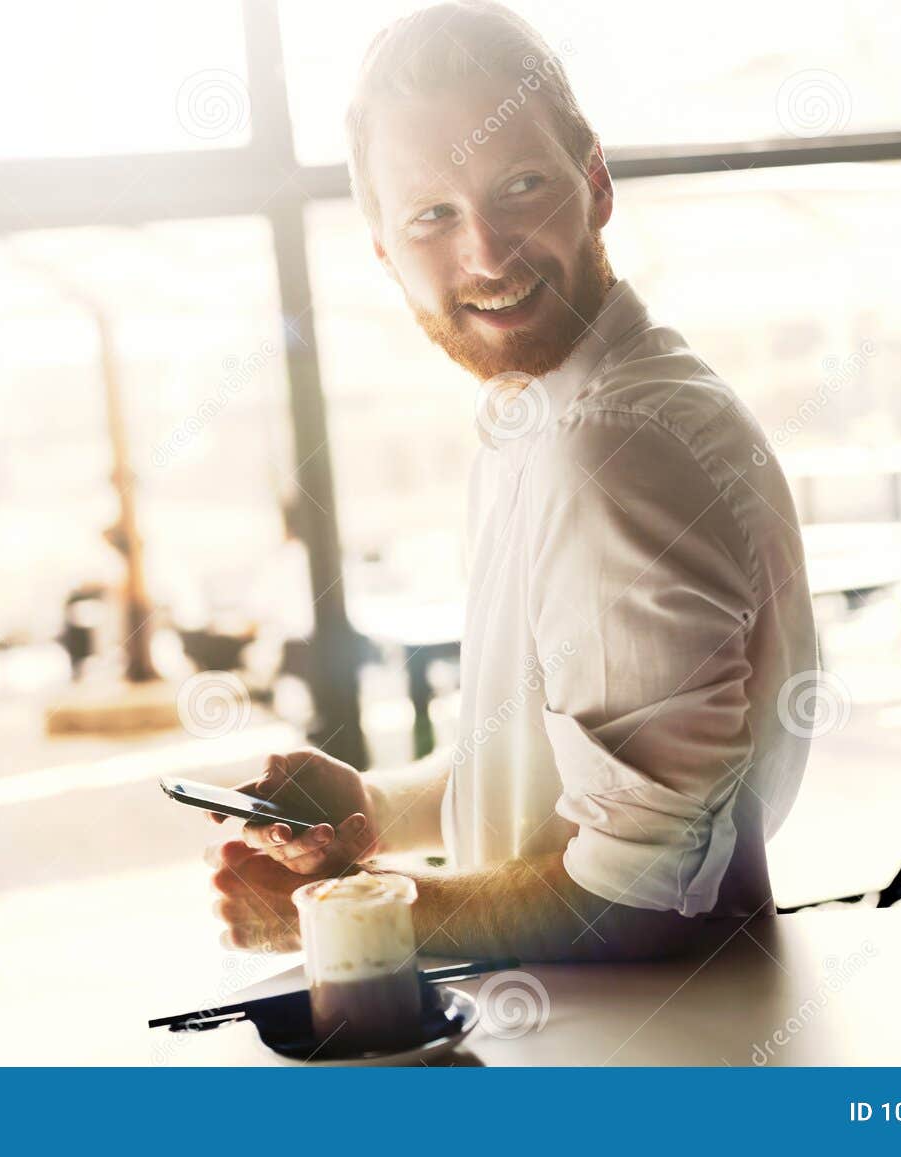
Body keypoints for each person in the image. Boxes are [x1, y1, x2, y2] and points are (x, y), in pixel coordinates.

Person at [206, 1, 818, 962]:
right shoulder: (546, 415)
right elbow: (570, 770)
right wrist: (373, 807)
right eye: (432, 216)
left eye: (522, 184)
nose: (486, 254)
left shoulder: (607, 448)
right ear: (385, 254)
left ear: (596, 182)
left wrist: (341, 911)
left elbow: (643, 890)